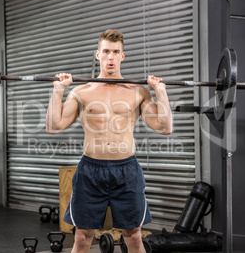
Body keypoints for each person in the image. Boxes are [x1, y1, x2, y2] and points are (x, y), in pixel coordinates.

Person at [46, 29, 173, 253]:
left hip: (127, 170)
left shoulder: (138, 91)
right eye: (106, 51)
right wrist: (58, 91)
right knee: (83, 237)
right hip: (90, 170)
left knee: (134, 236)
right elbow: (54, 126)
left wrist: (160, 91)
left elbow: (164, 127)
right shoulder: (81, 91)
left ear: (123, 56)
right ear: (98, 54)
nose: (111, 57)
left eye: (116, 52)